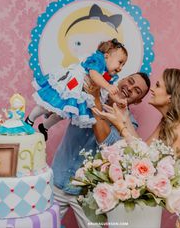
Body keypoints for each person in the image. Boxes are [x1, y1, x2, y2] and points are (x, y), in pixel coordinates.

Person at [93, 68, 180, 228]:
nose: (153, 90)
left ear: (171, 96)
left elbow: (151, 165)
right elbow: (143, 152)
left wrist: (121, 126)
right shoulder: (169, 122)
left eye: (157, 85)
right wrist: (124, 116)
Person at [51, 72, 150, 228]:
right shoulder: (86, 95)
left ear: (138, 101)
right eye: (130, 81)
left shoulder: (129, 124)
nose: (130, 88)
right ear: (122, 79)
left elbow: (106, 143)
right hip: (57, 178)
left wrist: (94, 98)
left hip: (89, 194)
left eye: (137, 91)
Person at [25, 39, 128, 140]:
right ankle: (30, 119)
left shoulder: (106, 75)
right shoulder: (98, 60)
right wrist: (108, 86)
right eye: (120, 62)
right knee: (51, 103)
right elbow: (94, 74)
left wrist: (118, 100)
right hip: (72, 84)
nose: (121, 68)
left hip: (79, 91)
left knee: (62, 113)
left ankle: (44, 127)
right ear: (106, 56)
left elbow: (110, 92)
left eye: (123, 65)